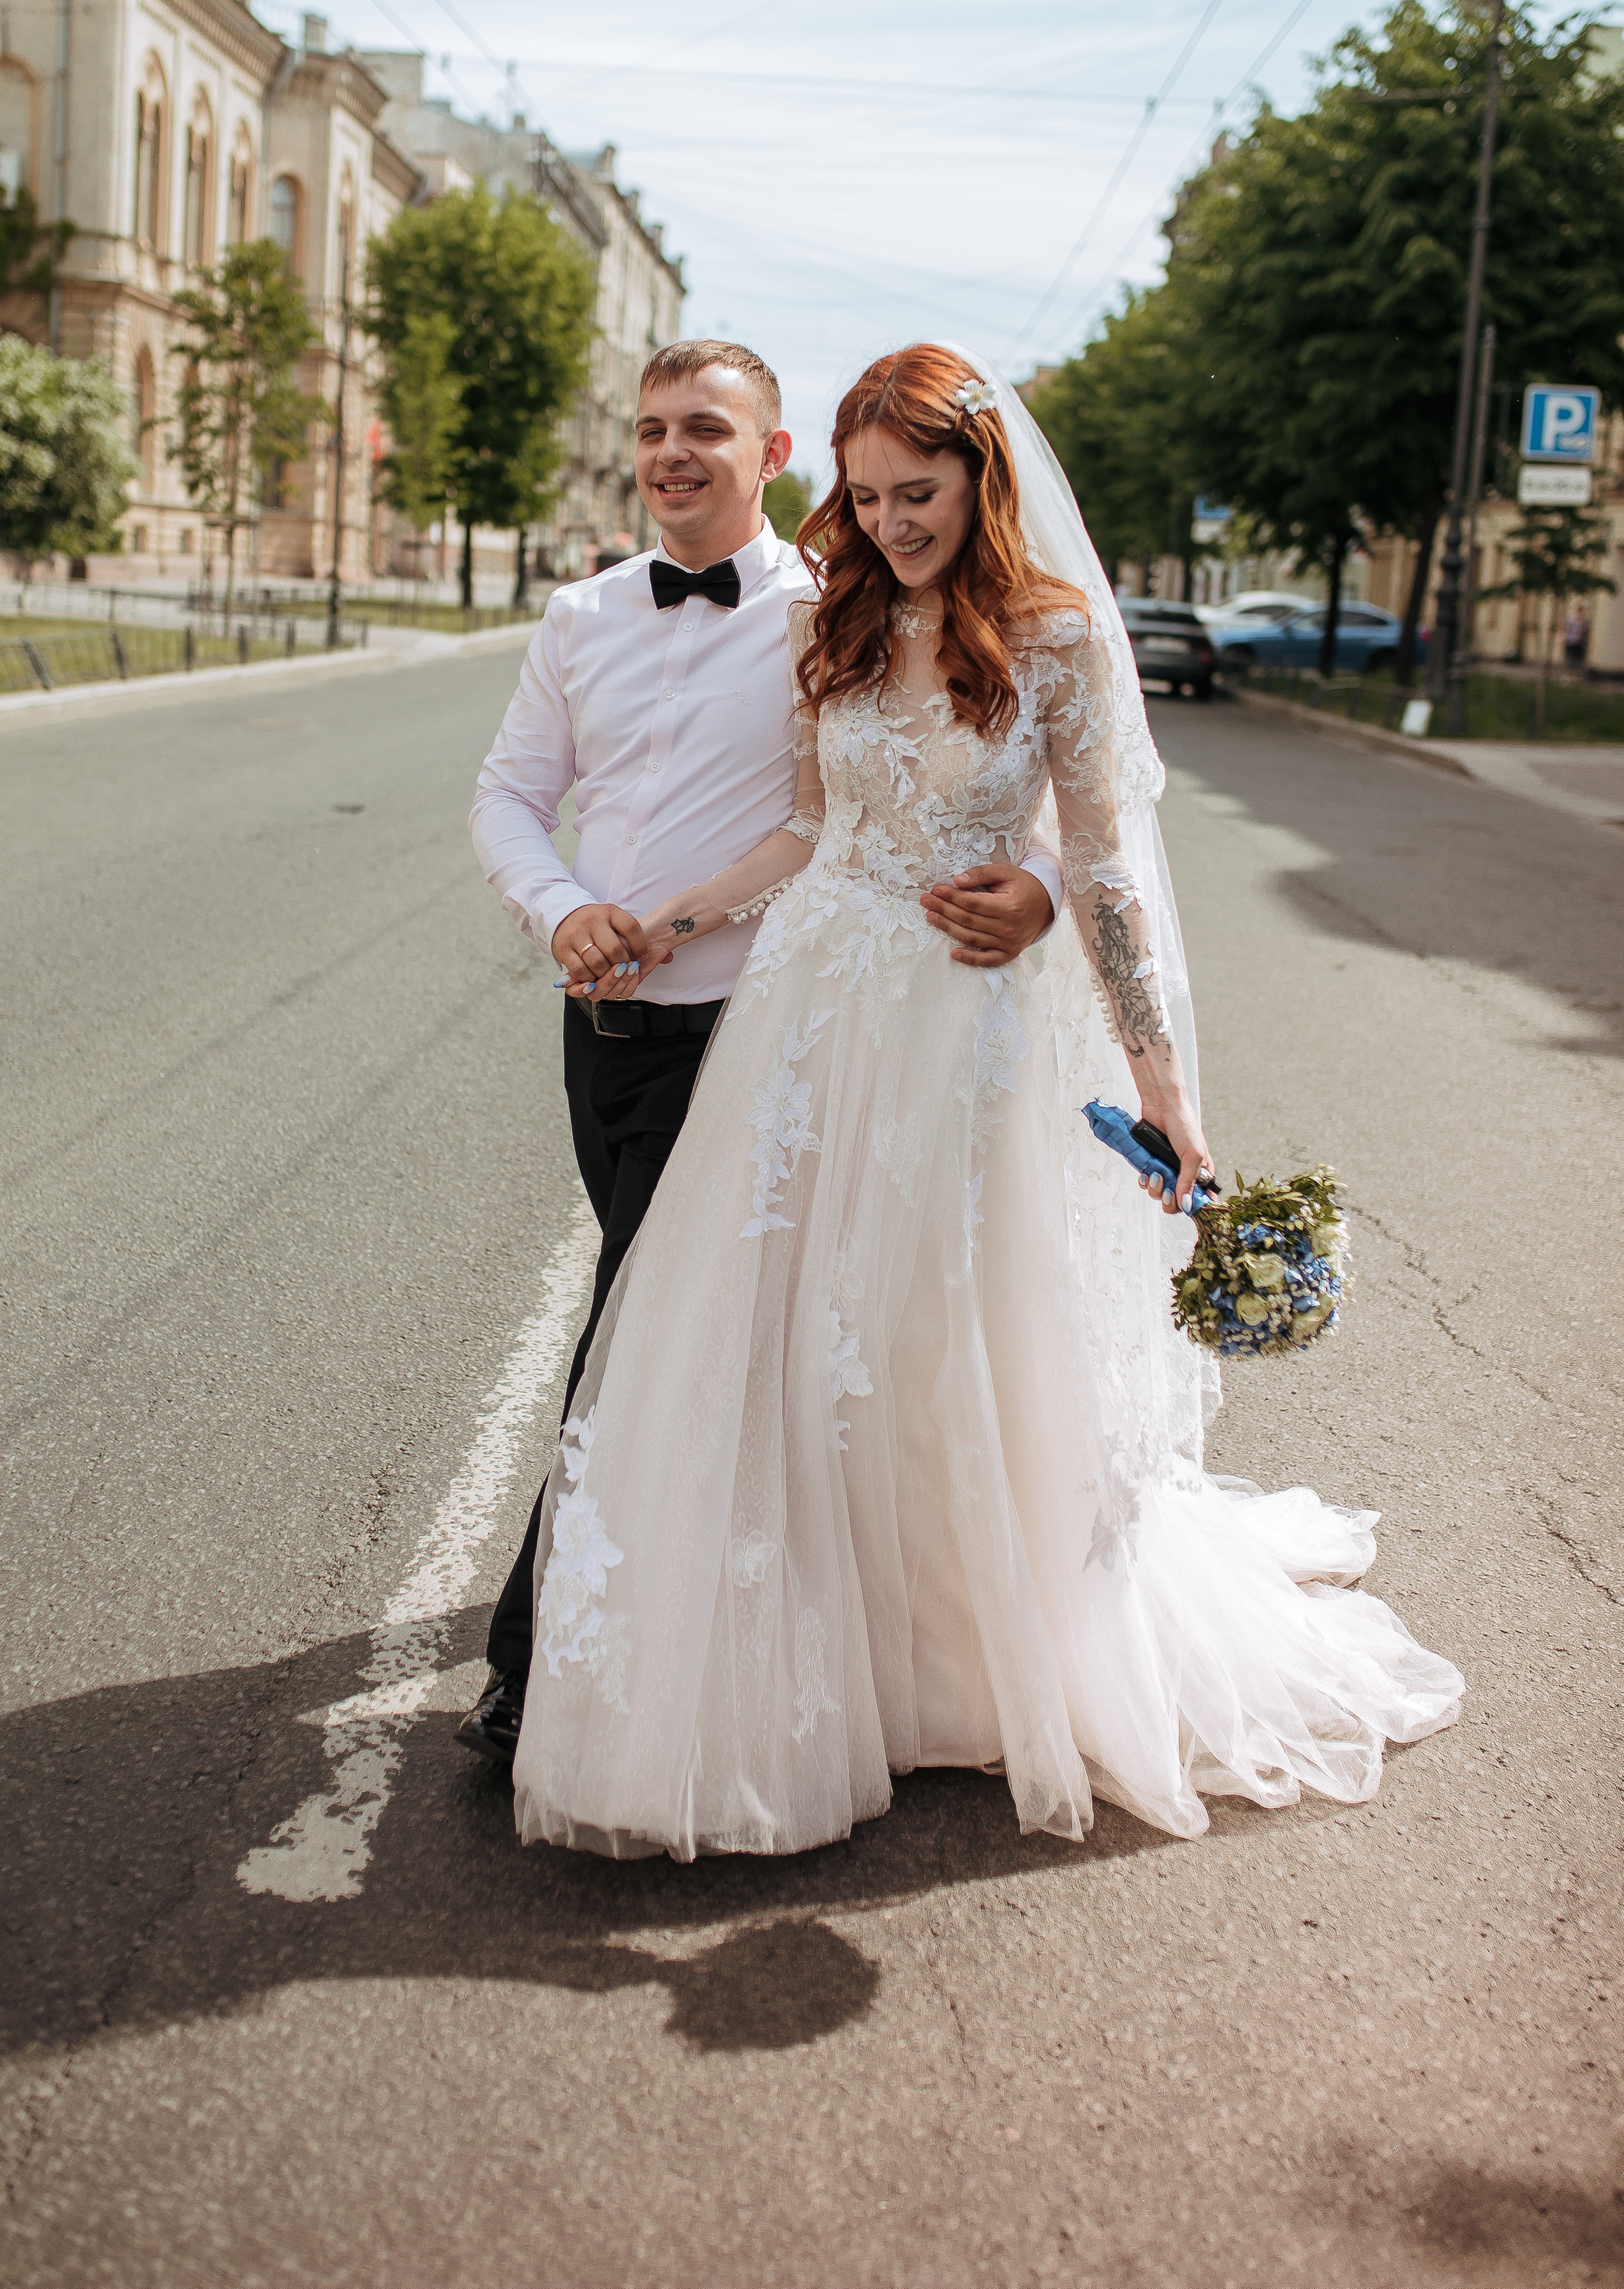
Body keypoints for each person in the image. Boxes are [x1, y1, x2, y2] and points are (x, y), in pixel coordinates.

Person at [510, 343, 1462, 1859]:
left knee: (942, 1325)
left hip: (961, 1028)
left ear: (980, 477)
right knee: (801, 1333)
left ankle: (974, 1661)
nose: (891, 522)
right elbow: (808, 834)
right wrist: (662, 925)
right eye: (868, 494)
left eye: (919, 490)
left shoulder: (1060, 639)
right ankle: (857, 1669)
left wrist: (1165, 1094)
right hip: (812, 1016)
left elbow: (1099, 874)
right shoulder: (844, 617)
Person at [460, 341, 1065, 1767]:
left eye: (707, 432)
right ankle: (706, 1611)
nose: (674, 454)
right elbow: (506, 794)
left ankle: (537, 1657)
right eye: (654, 430)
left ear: (769, 453)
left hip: (767, 1026)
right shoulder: (580, 614)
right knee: (681, 1332)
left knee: (652, 1324)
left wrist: (1034, 881)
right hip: (602, 1015)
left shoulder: (843, 602)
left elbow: (964, 756)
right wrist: (568, 914)